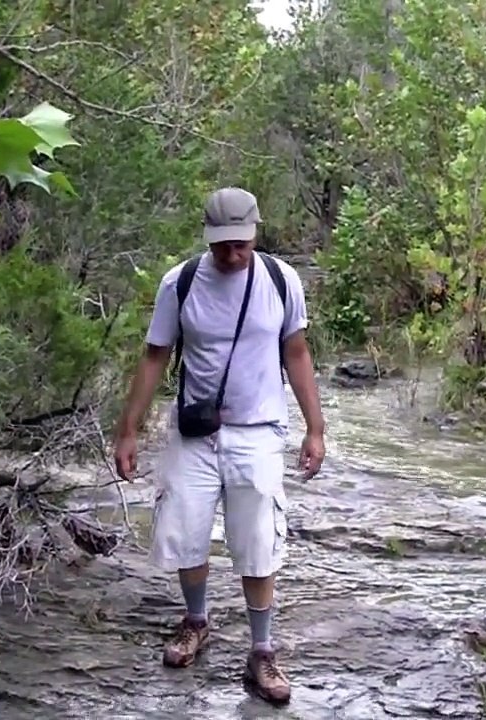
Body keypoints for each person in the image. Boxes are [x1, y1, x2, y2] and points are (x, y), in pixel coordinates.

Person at [111, 186, 326, 705]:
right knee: (186, 530)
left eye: (241, 246)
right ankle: (196, 621)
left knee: (256, 541)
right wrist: (129, 428)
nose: (231, 256)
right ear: (208, 239)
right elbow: (154, 355)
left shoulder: (280, 280)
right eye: (221, 246)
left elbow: (296, 352)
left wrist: (314, 429)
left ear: (256, 234)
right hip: (194, 432)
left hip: (258, 431)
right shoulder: (180, 282)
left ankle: (262, 650)